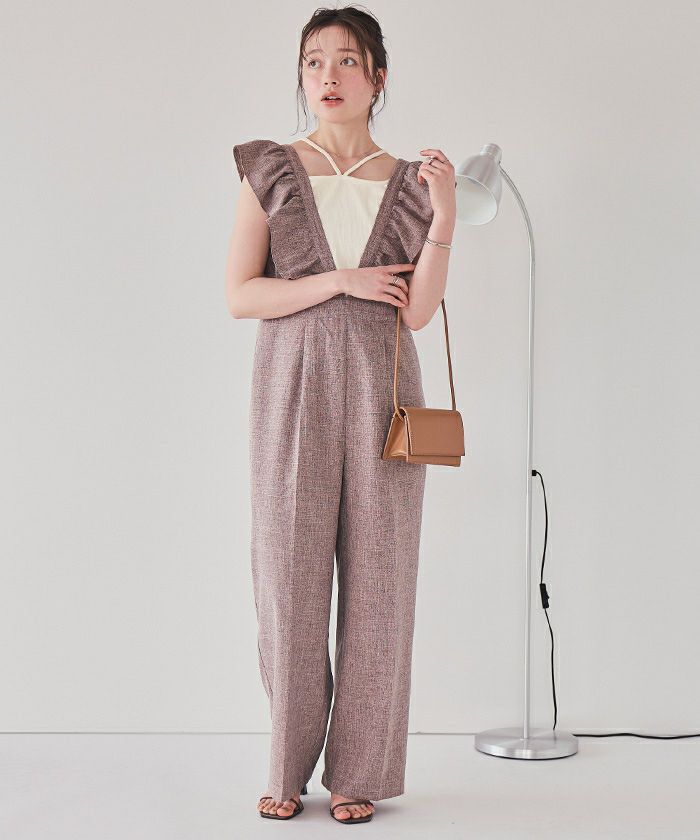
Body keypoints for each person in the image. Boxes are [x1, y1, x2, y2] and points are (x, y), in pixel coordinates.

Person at [224, 4, 456, 824]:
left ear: (377, 78)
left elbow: (417, 311)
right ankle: (286, 767)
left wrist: (445, 216)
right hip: (292, 386)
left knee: (381, 580)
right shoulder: (272, 169)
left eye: (348, 61)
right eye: (314, 61)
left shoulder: (410, 182)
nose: (329, 75)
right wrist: (338, 282)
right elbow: (240, 295)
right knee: (287, 576)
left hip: (387, 389)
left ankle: (359, 772)